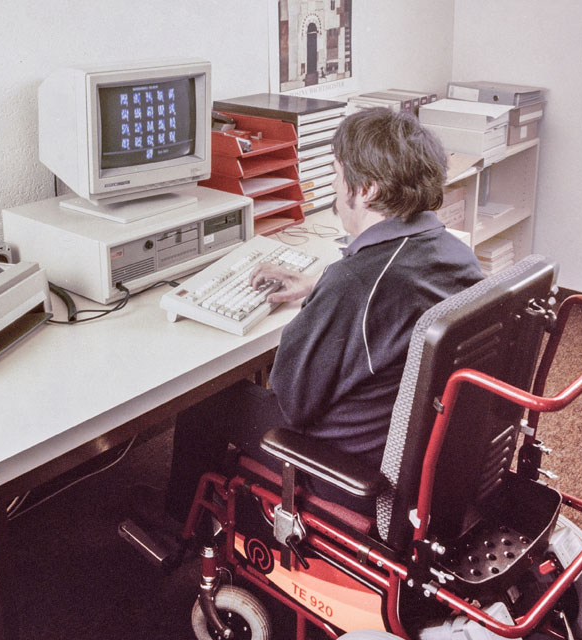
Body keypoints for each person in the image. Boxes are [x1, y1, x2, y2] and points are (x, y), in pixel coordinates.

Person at [137, 107, 484, 529]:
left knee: (208, 400)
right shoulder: (451, 251)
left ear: (368, 189)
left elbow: (292, 400)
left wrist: (327, 296)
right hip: (425, 455)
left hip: (350, 470)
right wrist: (321, 283)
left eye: (337, 175)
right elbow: (391, 297)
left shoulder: (355, 284)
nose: (334, 188)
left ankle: (178, 527)